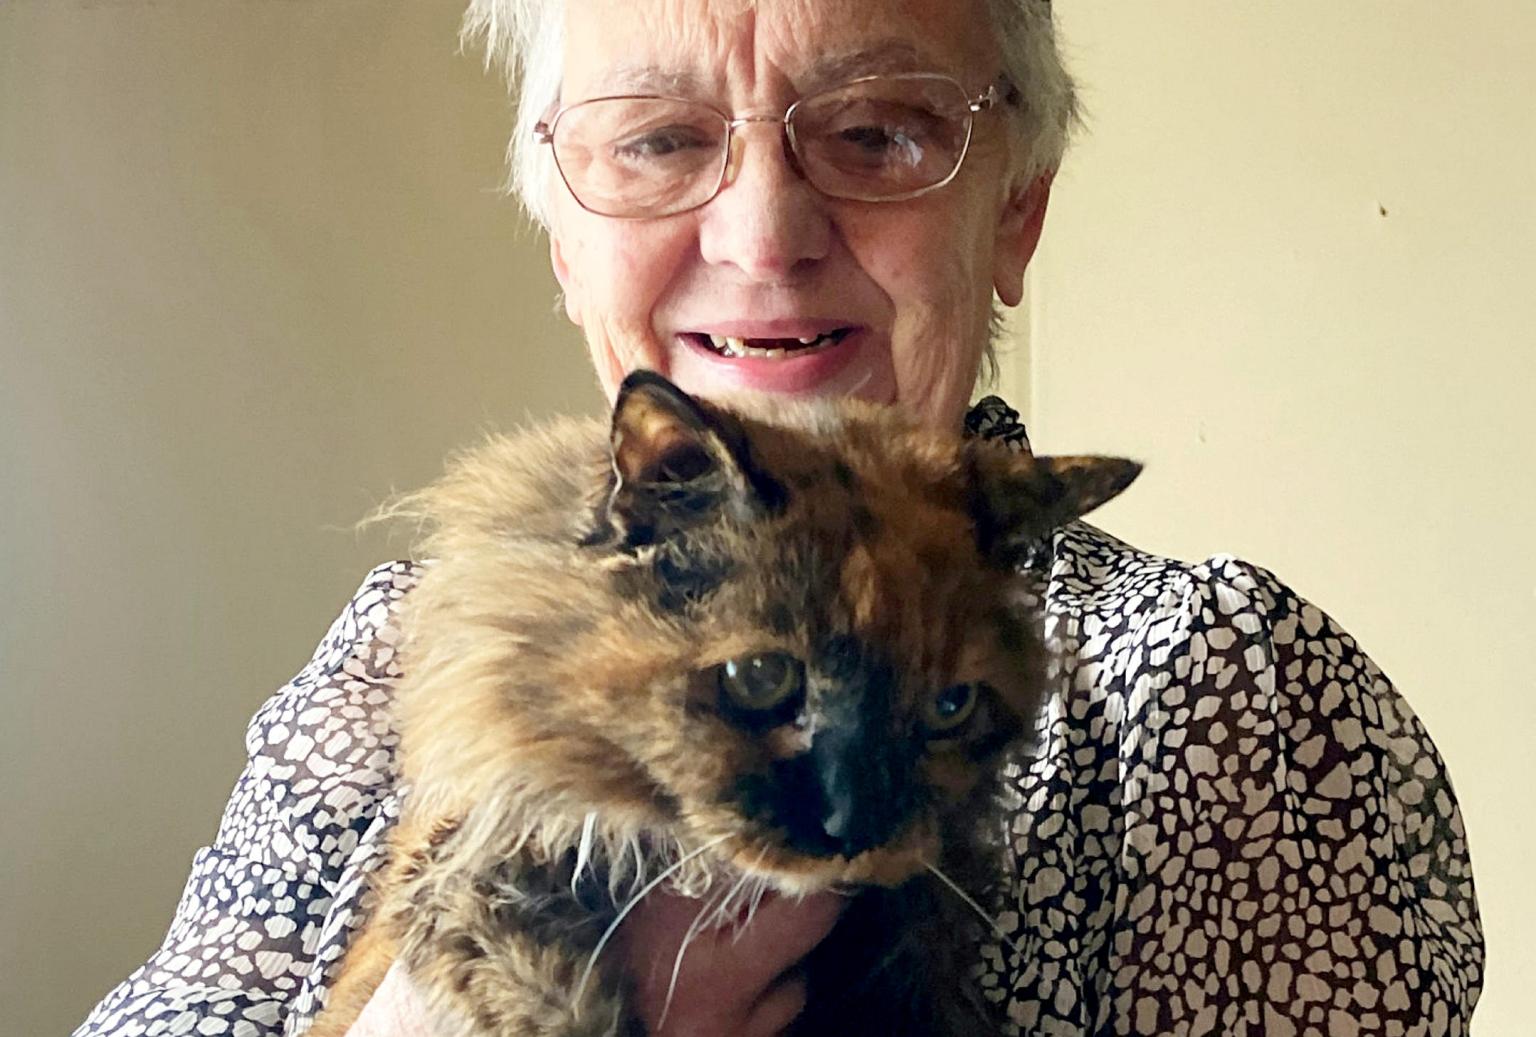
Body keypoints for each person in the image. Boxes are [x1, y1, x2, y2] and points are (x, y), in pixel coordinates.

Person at [77, 0, 1484, 1034]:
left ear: (1017, 212)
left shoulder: (1225, 679)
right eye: (659, 139)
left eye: (876, 133)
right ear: (567, 241)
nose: (763, 237)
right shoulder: (390, 644)